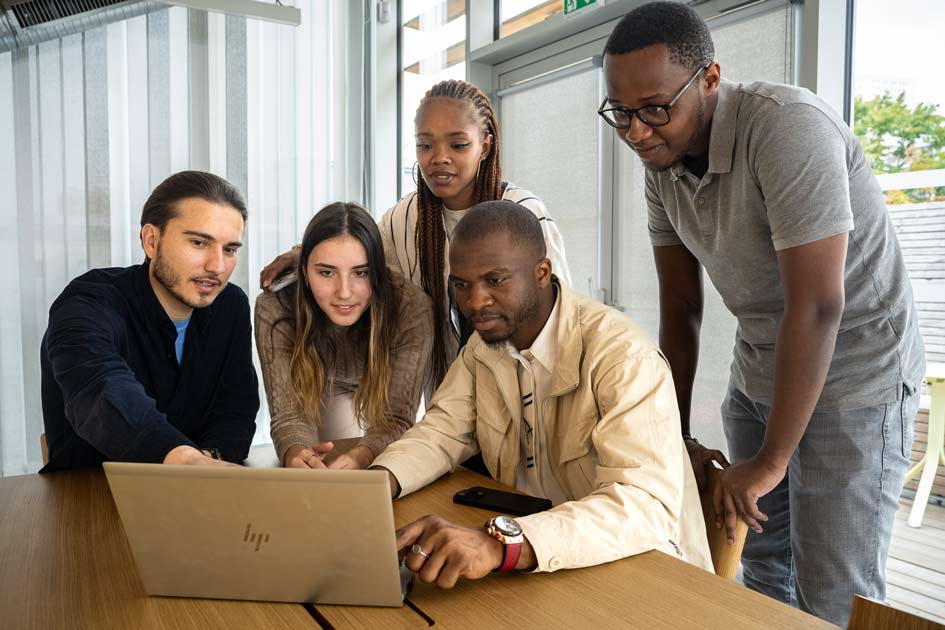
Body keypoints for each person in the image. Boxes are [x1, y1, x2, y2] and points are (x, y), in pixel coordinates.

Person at [599, 2, 925, 625]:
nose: (637, 131)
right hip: (759, 371)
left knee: (833, 592)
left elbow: (819, 303)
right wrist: (676, 433)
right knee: (758, 569)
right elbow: (682, 309)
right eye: (622, 113)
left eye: (656, 109)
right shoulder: (660, 164)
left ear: (711, 80)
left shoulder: (787, 128)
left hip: (855, 378)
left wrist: (771, 462)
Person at [370, 201, 712, 588]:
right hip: (548, 566)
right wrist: (374, 487)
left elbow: (642, 506)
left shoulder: (622, 356)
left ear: (541, 273)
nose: (475, 302)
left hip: (647, 575)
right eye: (462, 285)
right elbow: (441, 432)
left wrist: (500, 544)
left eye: (495, 280)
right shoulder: (485, 346)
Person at [259, 79, 571, 387]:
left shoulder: (523, 213)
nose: (439, 157)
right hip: (448, 402)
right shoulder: (406, 217)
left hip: (526, 396)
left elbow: (562, 318)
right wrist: (302, 252)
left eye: (458, 145)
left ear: (485, 145)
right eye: (425, 144)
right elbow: (358, 247)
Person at [41, 171, 259, 471]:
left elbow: (236, 410)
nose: (217, 266)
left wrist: (208, 464)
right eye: (198, 243)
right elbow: (102, 391)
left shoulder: (230, 305)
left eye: (230, 249)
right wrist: (187, 462)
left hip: (197, 501)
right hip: (89, 499)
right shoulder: (88, 303)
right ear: (151, 241)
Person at [255, 202, 434, 470]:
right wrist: (295, 454)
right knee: (322, 462)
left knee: (366, 462)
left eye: (360, 273)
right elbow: (288, 415)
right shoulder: (275, 308)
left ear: (378, 273)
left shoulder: (411, 308)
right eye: (326, 272)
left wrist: (363, 455)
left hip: (381, 383)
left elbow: (396, 417)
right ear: (304, 271)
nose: (344, 293)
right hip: (324, 384)